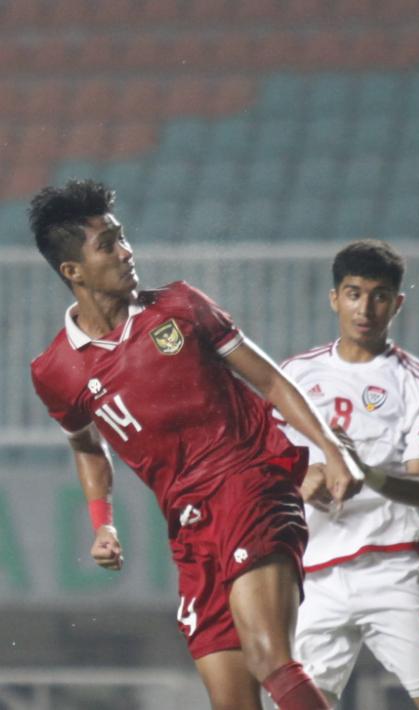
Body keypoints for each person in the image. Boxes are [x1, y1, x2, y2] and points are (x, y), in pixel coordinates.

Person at [27, 180, 362, 710]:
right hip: (188, 525)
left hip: (250, 483)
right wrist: (103, 523)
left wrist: (330, 451)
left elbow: (270, 380)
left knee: (270, 657)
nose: (126, 251)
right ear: (73, 271)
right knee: (232, 702)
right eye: (108, 245)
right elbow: (87, 447)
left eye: (122, 237)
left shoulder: (180, 306)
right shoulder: (55, 371)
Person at [276, 240, 419, 709]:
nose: (365, 308)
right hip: (314, 576)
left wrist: (368, 473)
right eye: (354, 293)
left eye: (379, 296)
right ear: (334, 298)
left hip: (391, 568)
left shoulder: (417, 383)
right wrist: (298, 478)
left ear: (397, 303)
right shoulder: (295, 374)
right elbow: (262, 462)